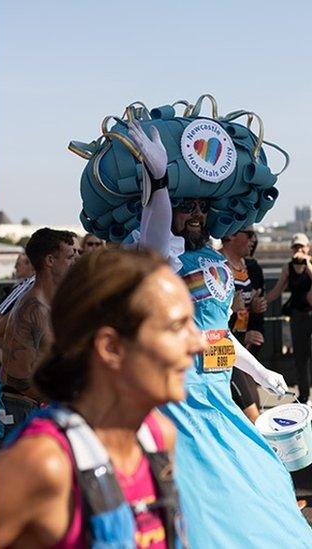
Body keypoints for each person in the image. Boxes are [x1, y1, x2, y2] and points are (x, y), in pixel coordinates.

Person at [129, 122, 311, 545]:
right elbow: (156, 232)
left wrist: (263, 373)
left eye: (201, 207)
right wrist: (158, 183)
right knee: (200, 489)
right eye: (185, 205)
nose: (195, 214)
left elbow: (218, 334)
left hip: (217, 393)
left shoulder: (214, 261)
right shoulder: (161, 258)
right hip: (177, 397)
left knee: (261, 470)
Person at [0, 248, 198, 548]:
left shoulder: (159, 436)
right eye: (177, 327)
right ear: (111, 347)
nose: (198, 343)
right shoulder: (44, 463)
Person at [0, 228, 77, 431]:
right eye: (69, 256)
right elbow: (18, 378)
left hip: (35, 407)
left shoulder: (51, 302)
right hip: (20, 411)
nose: (74, 261)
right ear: (50, 260)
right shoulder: (32, 308)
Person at [221, 226, 267, 422]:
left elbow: (250, 306)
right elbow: (208, 318)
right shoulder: (217, 265)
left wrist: (256, 309)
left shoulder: (249, 267)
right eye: (248, 235)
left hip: (244, 347)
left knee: (255, 408)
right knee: (253, 417)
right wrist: (231, 309)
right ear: (231, 234)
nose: (253, 240)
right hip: (225, 349)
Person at [266, 233, 312, 403]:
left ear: (308, 248)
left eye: (302, 247)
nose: (299, 250)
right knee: (300, 356)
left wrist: (307, 265)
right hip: (298, 315)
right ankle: (304, 395)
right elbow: (278, 290)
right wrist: (262, 301)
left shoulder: (310, 264)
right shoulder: (288, 267)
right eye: (295, 247)